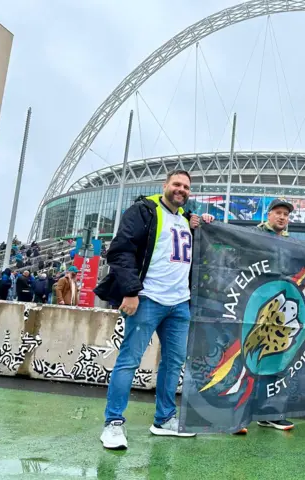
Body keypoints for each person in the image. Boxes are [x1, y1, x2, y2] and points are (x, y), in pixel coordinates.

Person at [94, 170, 214, 450]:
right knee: (129, 360)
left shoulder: (186, 219)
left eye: (185, 186)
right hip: (148, 299)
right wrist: (131, 291)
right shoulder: (144, 210)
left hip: (180, 304)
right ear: (165, 186)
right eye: (176, 184)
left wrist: (204, 224)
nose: (181, 189)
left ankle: (164, 419)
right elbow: (121, 250)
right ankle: (113, 423)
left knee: (174, 362)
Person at [248, 198, 297, 432]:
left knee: (275, 359)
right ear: (268, 215)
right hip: (253, 307)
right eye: (278, 212)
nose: (282, 217)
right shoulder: (252, 235)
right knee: (247, 359)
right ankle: (239, 413)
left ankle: (270, 413)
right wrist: (207, 221)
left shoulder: (290, 242)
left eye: (286, 215)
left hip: (278, 311)